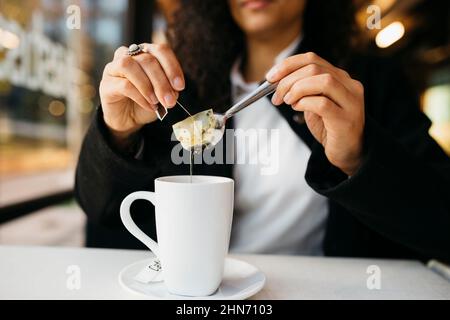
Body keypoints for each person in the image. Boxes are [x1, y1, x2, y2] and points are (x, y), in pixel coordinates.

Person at [75, 0, 450, 263]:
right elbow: (101, 211)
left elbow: (439, 223)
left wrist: (357, 156)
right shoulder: (175, 87)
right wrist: (117, 134)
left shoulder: (365, 84)